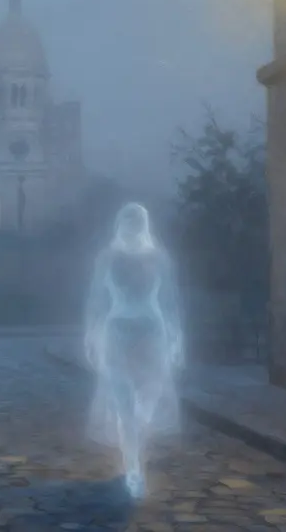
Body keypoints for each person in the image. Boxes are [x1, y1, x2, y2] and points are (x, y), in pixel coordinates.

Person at [83, 202, 184, 499]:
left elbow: (169, 301)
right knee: (124, 407)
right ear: (119, 224)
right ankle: (133, 471)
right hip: (117, 334)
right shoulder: (107, 258)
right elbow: (95, 300)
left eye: (137, 222)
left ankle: (135, 443)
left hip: (153, 336)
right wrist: (90, 336)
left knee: (147, 403)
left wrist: (178, 339)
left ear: (144, 225)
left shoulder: (158, 258)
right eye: (127, 222)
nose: (132, 227)